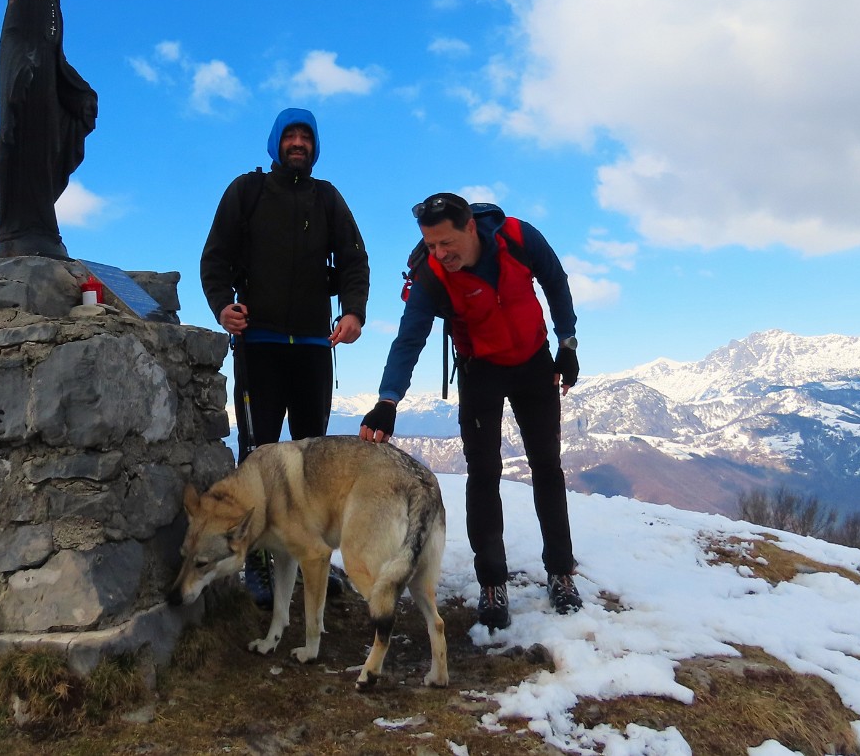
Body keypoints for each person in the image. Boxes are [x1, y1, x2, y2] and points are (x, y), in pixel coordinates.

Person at [359, 192, 583, 628]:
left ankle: (560, 572)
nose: (440, 255)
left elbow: (556, 280)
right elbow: (409, 338)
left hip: (534, 361)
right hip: (480, 369)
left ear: (469, 228)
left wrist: (567, 342)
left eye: (446, 244)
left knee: (546, 468)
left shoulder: (516, 237)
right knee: (483, 472)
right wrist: (388, 401)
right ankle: (492, 582)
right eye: (430, 247)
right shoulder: (431, 276)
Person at [200, 108, 370, 602]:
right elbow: (215, 258)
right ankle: (253, 560)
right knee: (256, 455)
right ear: (275, 143)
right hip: (260, 345)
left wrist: (353, 312)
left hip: (315, 347)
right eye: (290, 136)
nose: (299, 143)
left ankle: (308, 559)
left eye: (306, 137)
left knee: (311, 461)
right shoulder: (246, 192)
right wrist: (222, 308)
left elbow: (355, 259)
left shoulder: (327, 198)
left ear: (315, 147)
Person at [0, 0, 98, 259]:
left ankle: (43, 231)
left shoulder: (53, 2)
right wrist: (20, 79)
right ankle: (21, 232)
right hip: (26, 92)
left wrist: (79, 89)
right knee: (26, 159)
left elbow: (57, 54)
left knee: (46, 160)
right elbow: (15, 43)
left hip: (48, 93)